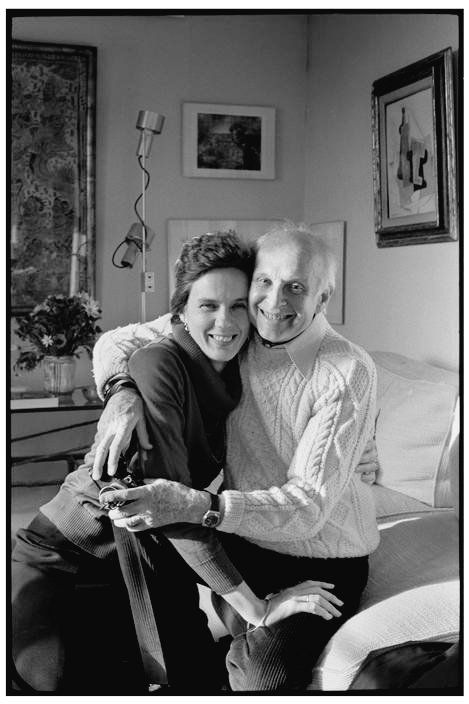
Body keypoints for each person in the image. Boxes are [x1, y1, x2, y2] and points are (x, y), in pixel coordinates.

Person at [11, 231, 343, 694]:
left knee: (187, 678)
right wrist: (257, 608)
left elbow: (322, 385)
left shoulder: (241, 362)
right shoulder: (156, 366)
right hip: (72, 555)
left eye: (238, 305)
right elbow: (171, 502)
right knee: (54, 683)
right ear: (180, 314)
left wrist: (359, 448)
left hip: (149, 554)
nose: (224, 322)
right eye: (208, 305)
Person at [90, 221, 380, 692]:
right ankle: (175, 674)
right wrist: (121, 391)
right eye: (264, 282)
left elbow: (307, 507)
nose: (275, 302)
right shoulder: (238, 330)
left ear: (323, 298)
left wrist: (205, 508)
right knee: (140, 517)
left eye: (296, 287)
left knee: (265, 677)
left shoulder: (345, 370)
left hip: (320, 557)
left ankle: (235, 633)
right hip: (244, 539)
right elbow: (116, 341)